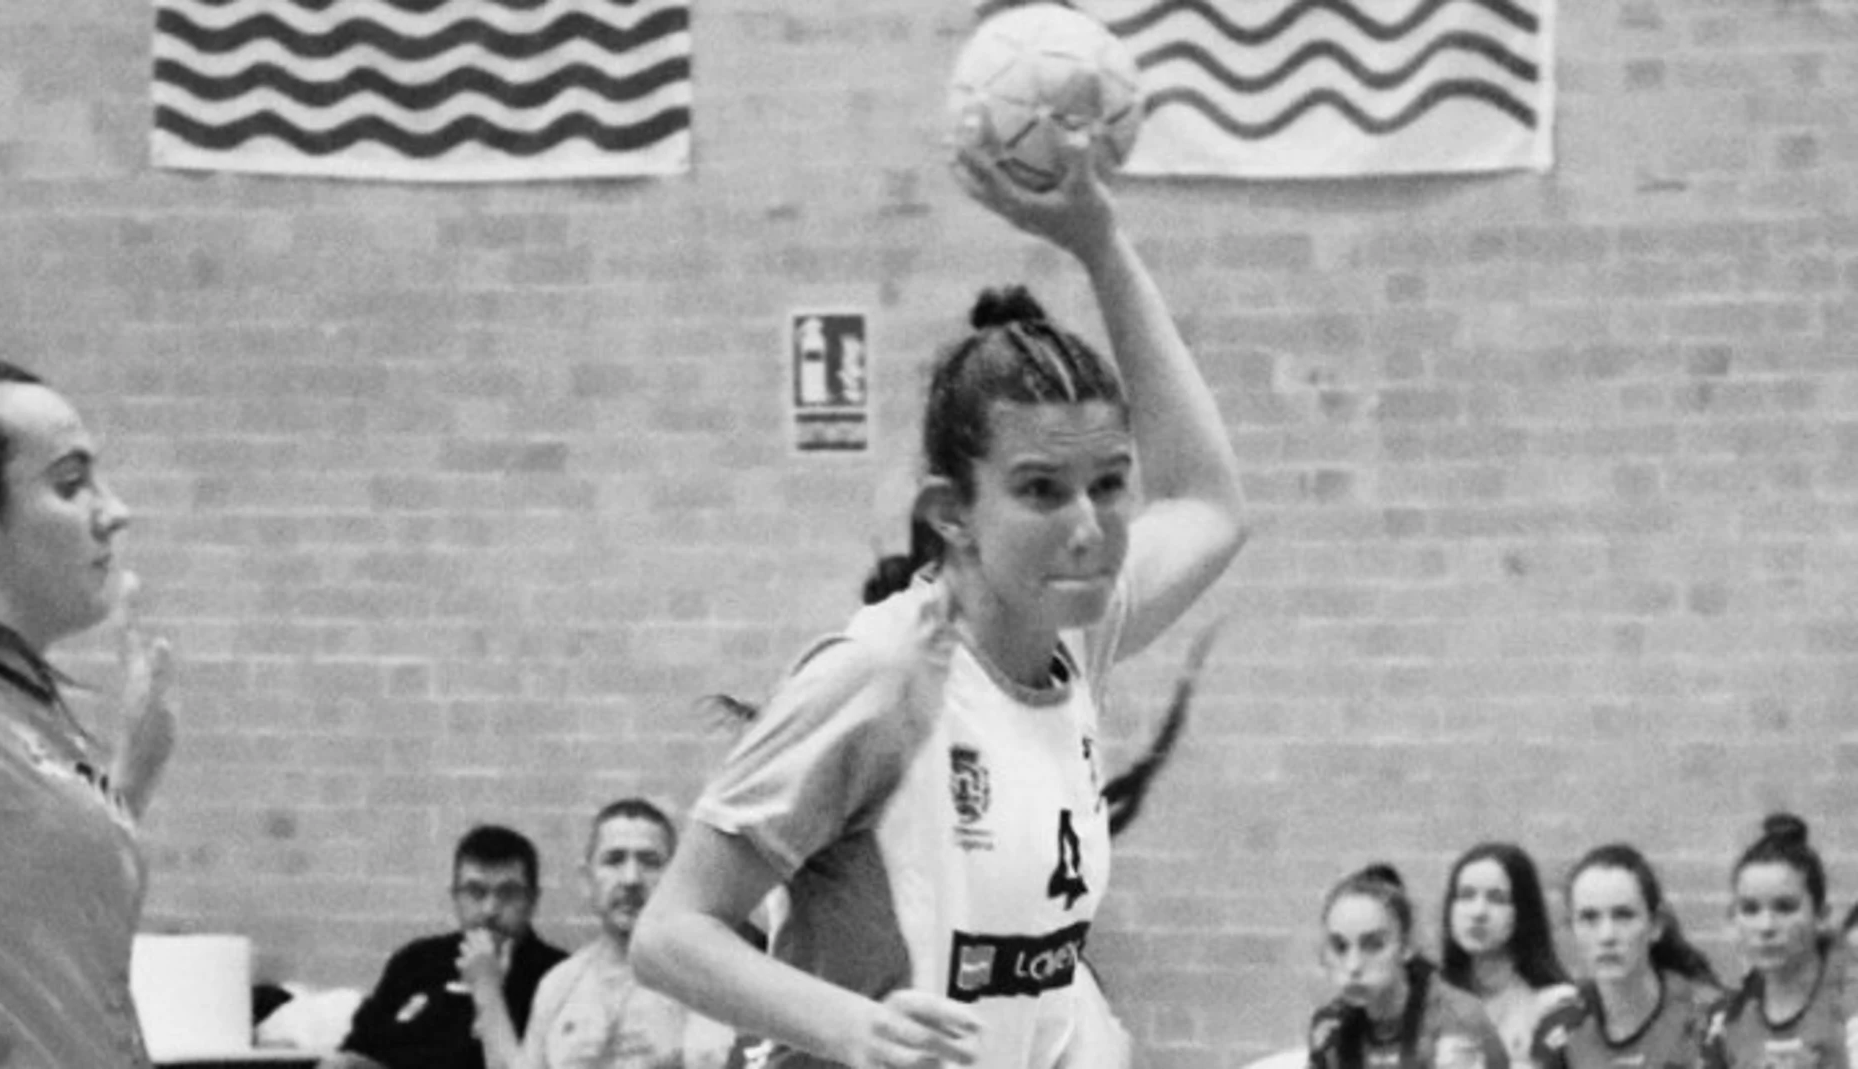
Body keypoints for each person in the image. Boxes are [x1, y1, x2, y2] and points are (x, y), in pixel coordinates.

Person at [632, 129, 1249, 1069]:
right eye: (1041, 489)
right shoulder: (882, 677)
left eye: (1110, 483)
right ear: (950, 513)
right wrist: (850, 1026)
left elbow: (1209, 502)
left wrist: (1100, 243)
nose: (1088, 524)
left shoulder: (1070, 639)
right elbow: (672, 934)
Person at [0, 351, 176, 1069]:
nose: (115, 511)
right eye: (71, 482)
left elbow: (26, 910)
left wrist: (125, 782)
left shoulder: (19, 704)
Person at [470, 799, 731, 1069]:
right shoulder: (558, 987)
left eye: (650, 862)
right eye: (614, 860)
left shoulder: (702, 983)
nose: (631, 878)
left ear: (674, 877)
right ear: (587, 879)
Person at [320, 824, 569, 1069]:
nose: (490, 909)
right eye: (475, 891)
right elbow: (361, 1046)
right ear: (455, 897)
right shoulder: (415, 962)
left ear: (533, 900)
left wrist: (487, 985)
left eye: (508, 893)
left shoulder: (559, 979)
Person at [1531, 843, 1721, 1069]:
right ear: (1572, 929)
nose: (1607, 936)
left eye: (1623, 916)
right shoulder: (1560, 1026)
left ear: (1655, 925)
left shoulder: (1710, 1019)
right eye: (1589, 918)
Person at [1310, 864, 1511, 1069]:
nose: (1353, 966)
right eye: (1340, 947)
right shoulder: (1329, 1026)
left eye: (1373, 945)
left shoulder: (1456, 1018)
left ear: (1407, 946)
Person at [1702, 814, 1856, 1069]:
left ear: (1822, 916)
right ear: (1732, 920)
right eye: (1750, 910)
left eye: (1785, 908)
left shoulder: (1851, 1009)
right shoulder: (1726, 1021)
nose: (1766, 926)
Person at [1440, 843, 1575, 1069]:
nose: (1478, 912)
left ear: (1523, 910)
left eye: (1497, 898)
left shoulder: (1557, 1005)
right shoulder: (1429, 1002)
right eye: (1466, 895)